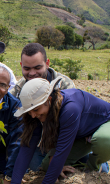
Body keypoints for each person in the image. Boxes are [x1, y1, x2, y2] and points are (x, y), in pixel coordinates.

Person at [0, 78, 110, 184]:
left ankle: (95, 166)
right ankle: (81, 162)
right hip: (81, 135)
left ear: (49, 100)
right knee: (46, 165)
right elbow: (27, 147)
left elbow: (61, 151)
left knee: (104, 141)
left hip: (107, 124)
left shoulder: (70, 107)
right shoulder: (38, 113)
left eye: (36, 110)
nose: (33, 115)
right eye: (30, 112)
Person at [9, 42, 76, 171]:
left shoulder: (64, 85)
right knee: (37, 167)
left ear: (47, 63)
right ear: (21, 66)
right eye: (27, 69)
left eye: (37, 67)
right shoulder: (18, 90)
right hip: (37, 145)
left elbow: (69, 126)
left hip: (63, 141)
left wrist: (56, 158)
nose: (32, 73)